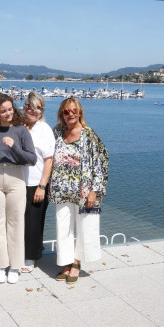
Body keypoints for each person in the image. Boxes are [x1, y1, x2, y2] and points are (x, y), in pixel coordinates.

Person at [50, 97, 109, 284]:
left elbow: (102, 161)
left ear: (79, 112)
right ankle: (65, 262)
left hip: (83, 191)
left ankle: (76, 263)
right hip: (61, 189)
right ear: (61, 114)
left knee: (84, 228)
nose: (70, 114)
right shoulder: (57, 132)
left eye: (73, 111)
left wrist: (95, 190)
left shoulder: (88, 135)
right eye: (66, 112)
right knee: (63, 227)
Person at [0, 93, 36, 284]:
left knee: (15, 222)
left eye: (10, 109)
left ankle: (15, 265)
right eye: (3, 111)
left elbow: (32, 159)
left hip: (16, 177)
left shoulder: (21, 130)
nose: (8, 113)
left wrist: (14, 148)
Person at [21, 91, 55, 273]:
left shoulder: (45, 129)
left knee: (34, 222)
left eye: (38, 108)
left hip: (36, 183)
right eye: (31, 106)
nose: (34, 111)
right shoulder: (17, 125)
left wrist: (42, 185)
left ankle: (30, 257)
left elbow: (49, 160)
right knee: (17, 221)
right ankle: (17, 253)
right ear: (25, 106)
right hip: (17, 182)